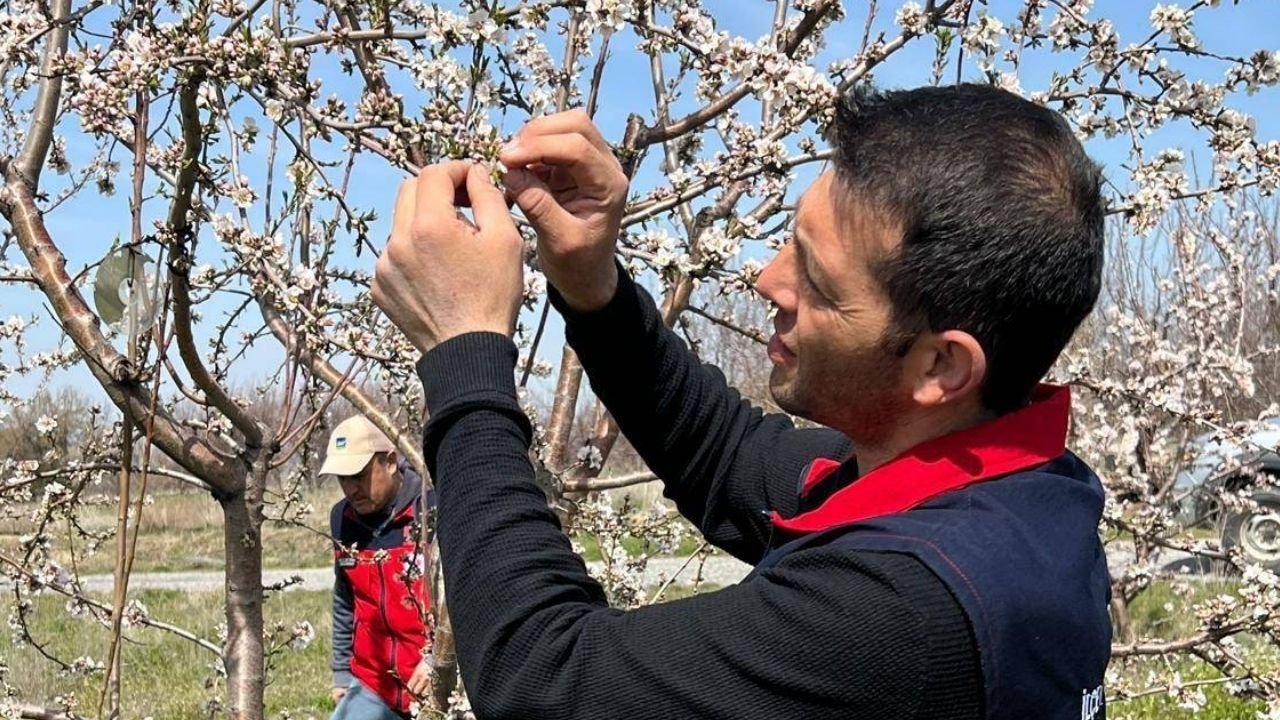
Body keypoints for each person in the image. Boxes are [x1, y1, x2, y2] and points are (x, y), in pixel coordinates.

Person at [371, 83, 1112, 719]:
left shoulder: (904, 614)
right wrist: (592, 284)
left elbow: (545, 679)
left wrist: (464, 352)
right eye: (790, 239)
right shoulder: (1011, 487)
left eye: (817, 282)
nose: (767, 279)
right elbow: (729, 456)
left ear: (941, 364)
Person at [322, 415, 435, 720]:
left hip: (435, 680)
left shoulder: (432, 511)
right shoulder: (341, 520)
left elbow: (467, 601)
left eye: (358, 475)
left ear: (389, 461)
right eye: (342, 479)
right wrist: (342, 674)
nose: (350, 489)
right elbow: (345, 600)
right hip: (374, 684)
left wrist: (440, 659)